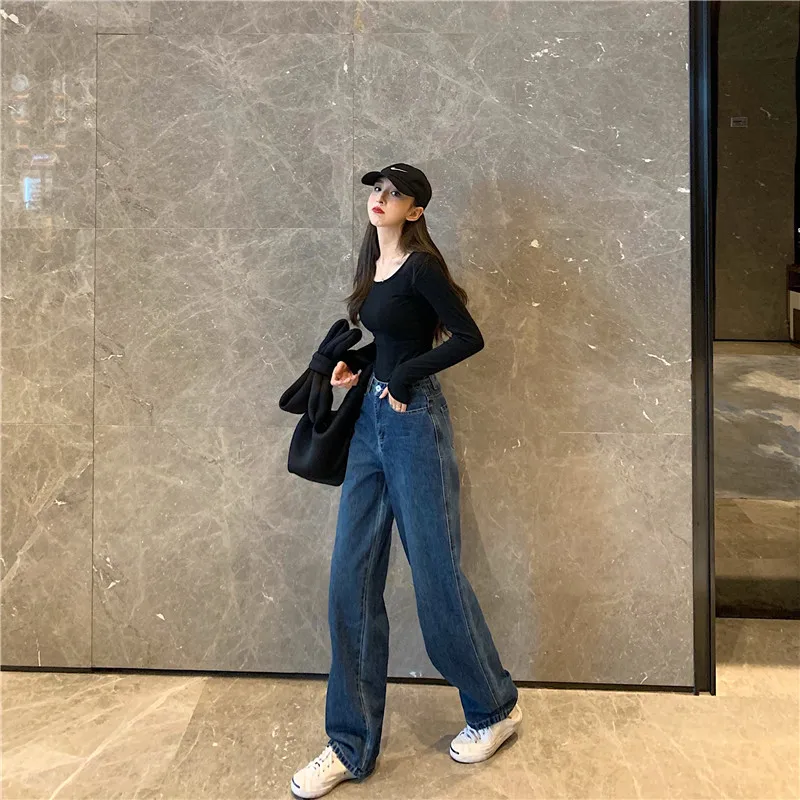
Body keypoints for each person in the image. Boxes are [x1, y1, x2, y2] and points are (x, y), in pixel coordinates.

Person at [291, 163, 521, 799]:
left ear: (415, 210)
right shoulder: (375, 265)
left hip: (415, 422)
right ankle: (349, 744)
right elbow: (389, 342)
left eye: (393, 194)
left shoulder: (420, 268)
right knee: (350, 578)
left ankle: (494, 708)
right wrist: (355, 366)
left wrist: (406, 375)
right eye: (376, 190)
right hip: (370, 422)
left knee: (436, 578)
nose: (380, 199)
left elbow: (468, 337)